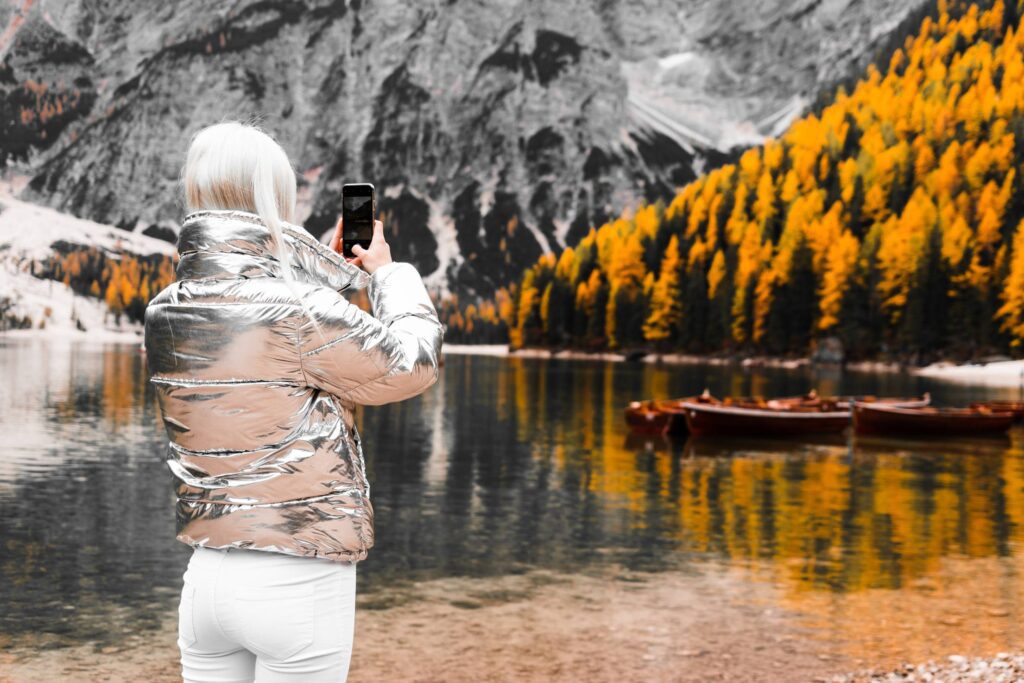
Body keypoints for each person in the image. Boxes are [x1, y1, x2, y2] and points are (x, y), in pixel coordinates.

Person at [144, 120, 443, 682]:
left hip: (207, 574)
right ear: (271, 198)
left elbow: (265, 348)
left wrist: (313, 267)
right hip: (298, 575)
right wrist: (387, 273)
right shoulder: (300, 310)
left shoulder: (165, 309)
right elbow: (411, 363)